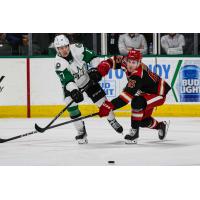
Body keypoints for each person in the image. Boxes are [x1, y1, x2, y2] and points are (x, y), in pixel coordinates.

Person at [53, 34, 123, 144]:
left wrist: (95, 69)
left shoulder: (77, 48)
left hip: (87, 79)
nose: (64, 50)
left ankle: (112, 120)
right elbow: (68, 80)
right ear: (57, 49)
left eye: (66, 46)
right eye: (61, 48)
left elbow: (93, 57)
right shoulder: (59, 64)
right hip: (72, 86)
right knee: (70, 104)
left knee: (103, 103)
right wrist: (74, 90)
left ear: (68, 45)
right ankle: (81, 131)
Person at [96, 49, 171, 144]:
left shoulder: (137, 75)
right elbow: (114, 59)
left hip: (158, 94)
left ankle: (134, 133)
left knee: (137, 102)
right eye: (130, 61)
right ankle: (161, 126)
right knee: (143, 121)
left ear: (139, 62)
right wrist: (105, 65)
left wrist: (109, 106)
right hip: (145, 93)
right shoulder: (125, 62)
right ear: (126, 59)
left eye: (134, 62)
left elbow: (125, 98)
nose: (131, 65)